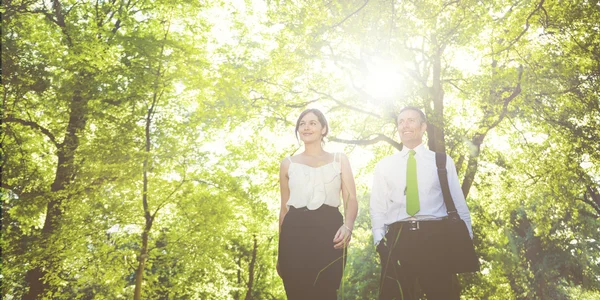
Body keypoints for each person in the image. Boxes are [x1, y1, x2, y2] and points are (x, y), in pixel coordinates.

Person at [370, 106, 473, 300]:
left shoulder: (441, 161)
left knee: (443, 295)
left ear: (423, 126)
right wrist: (379, 241)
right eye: (401, 122)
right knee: (395, 296)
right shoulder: (384, 166)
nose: (405, 125)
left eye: (411, 120)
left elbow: (459, 204)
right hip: (398, 238)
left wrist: (465, 238)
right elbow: (378, 206)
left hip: (436, 238)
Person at [277, 108, 358, 299]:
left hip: (328, 230)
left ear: (323, 129)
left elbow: (351, 199)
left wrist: (348, 226)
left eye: (312, 123)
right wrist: (280, 253)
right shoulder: (288, 163)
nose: (306, 127)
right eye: (302, 124)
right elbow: (283, 209)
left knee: (326, 291)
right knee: (296, 291)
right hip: (293, 233)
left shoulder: (339, 159)